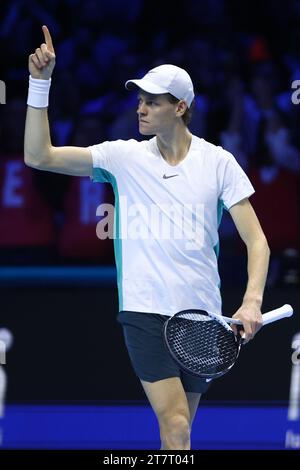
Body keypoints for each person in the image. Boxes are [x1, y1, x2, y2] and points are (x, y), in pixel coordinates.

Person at [24, 26, 270, 450]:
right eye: (140, 100)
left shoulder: (219, 163)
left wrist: (251, 301)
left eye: (152, 102)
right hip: (145, 312)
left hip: (201, 317)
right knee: (175, 423)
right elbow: (39, 155)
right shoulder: (123, 157)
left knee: (179, 436)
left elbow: (257, 242)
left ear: (180, 108)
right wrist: (39, 82)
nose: (141, 109)